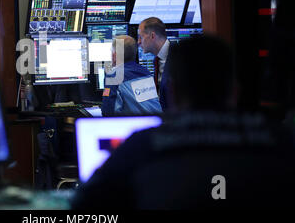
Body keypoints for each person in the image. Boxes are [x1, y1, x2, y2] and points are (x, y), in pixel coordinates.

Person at [71, 35, 295, 209]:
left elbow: (87, 206)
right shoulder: (281, 142)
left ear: (174, 92)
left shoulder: (140, 147)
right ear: (235, 91)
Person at [101, 35, 162, 116]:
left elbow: (108, 112)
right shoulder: (146, 72)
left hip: (137, 125)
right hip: (159, 122)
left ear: (115, 55)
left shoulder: (114, 76)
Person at [137, 17, 172, 111]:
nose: (139, 42)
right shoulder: (157, 60)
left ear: (152, 36)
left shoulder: (179, 58)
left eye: (141, 37)